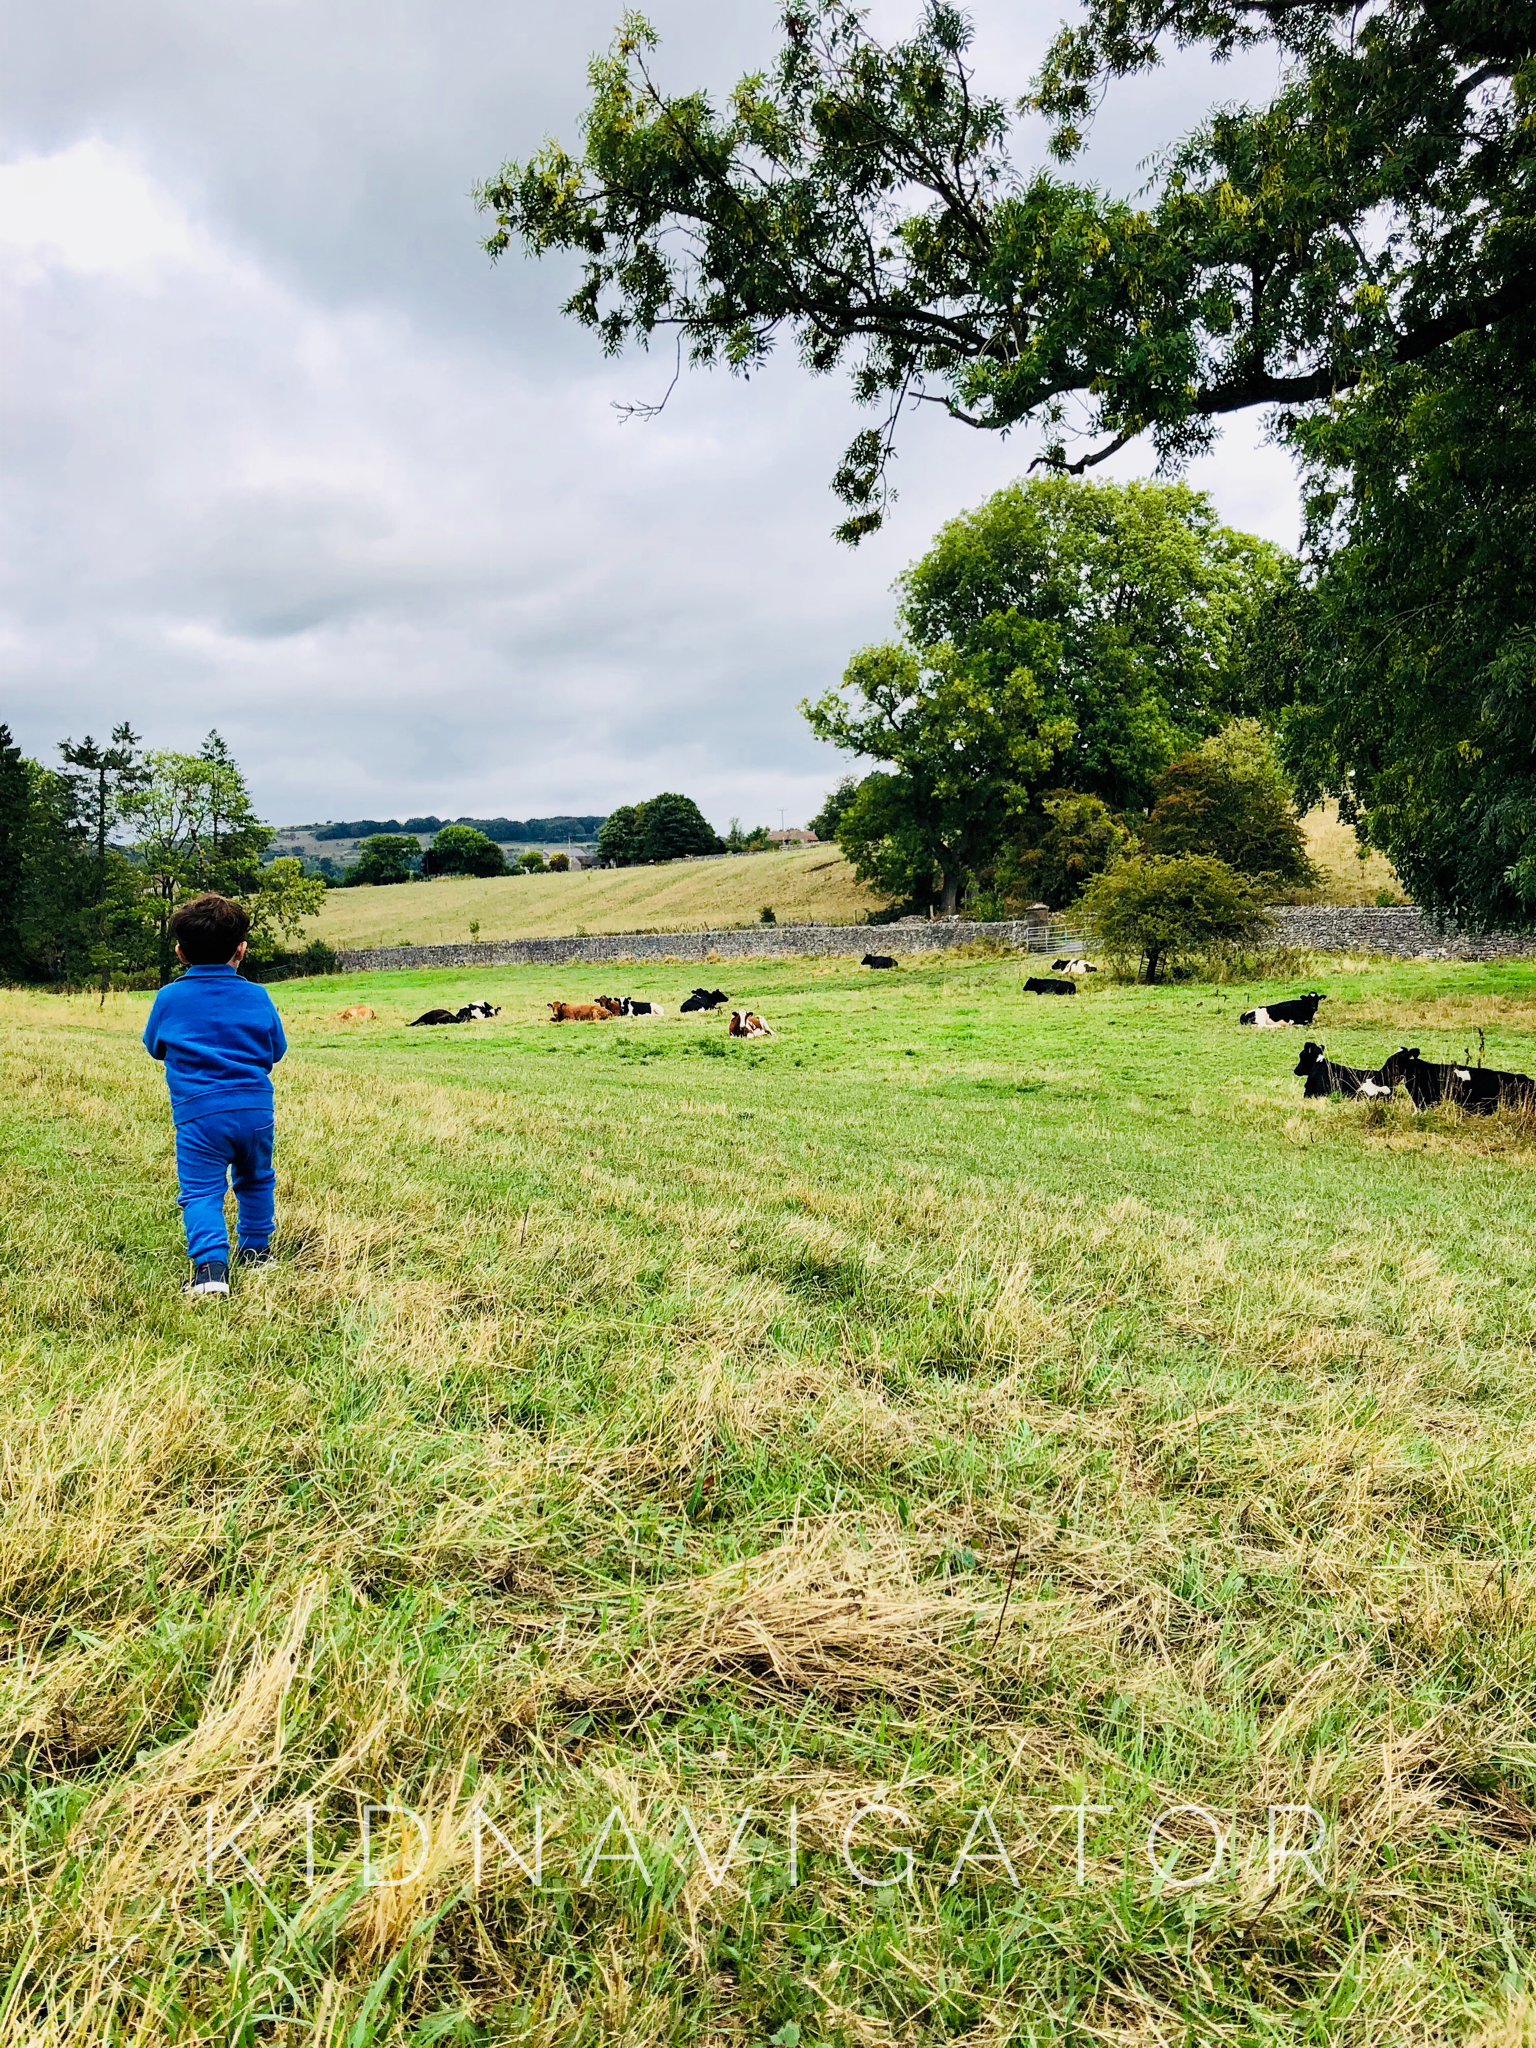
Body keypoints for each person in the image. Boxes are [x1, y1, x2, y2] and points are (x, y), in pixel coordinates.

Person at [142, 893, 288, 1298]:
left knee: (202, 1190)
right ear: (241, 949)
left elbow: (154, 1045)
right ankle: (257, 1254)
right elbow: (277, 1050)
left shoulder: (169, 998)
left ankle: (210, 1271)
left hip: (199, 1116)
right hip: (256, 1111)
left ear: (179, 952)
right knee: (257, 1179)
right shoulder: (258, 996)